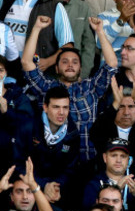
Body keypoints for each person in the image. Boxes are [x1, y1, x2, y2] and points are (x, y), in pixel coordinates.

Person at [22, 15, 117, 163]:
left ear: (80, 68)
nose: (70, 65)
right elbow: (27, 62)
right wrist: (37, 28)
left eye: (75, 62)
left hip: (88, 159)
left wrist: (100, 31)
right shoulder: (47, 87)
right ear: (57, 68)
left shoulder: (90, 87)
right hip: (56, 162)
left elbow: (111, 64)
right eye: (64, 62)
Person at [49, 0, 96, 79]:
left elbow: (89, 44)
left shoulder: (83, 8)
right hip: (47, 73)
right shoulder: (41, 4)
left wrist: (82, 74)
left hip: (75, 75)